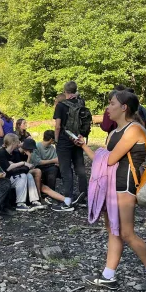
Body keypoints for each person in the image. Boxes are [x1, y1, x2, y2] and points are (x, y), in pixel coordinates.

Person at [76, 90, 146, 291]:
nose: (108, 107)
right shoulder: (114, 132)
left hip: (125, 186)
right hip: (111, 185)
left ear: (124, 107)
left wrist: (101, 153)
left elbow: (111, 159)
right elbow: (101, 159)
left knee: (126, 232)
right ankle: (108, 275)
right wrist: (83, 146)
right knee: (113, 231)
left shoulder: (134, 130)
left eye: (112, 103)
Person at [51, 81, 87, 212]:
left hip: (64, 140)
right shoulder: (81, 102)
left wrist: (56, 140)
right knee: (80, 168)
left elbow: (58, 126)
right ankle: (83, 198)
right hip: (77, 139)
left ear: (65, 91)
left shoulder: (60, 105)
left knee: (66, 170)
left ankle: (68, 201)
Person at [0, 134, 43, 212]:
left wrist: (15, 164)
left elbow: (21, 168)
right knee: (22, 176)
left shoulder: (13, 153)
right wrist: (22, 163)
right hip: (3, 179)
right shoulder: (1, 152)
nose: (19, 143)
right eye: (17, 142)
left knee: (29, 175)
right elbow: (8, 168)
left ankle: (34, 200)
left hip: (12, 175)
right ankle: (20, 204)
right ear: (13, 143)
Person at [18, 137, 65, 206]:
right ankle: (39, 197)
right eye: (30, 150)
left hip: (30, 177)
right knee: (38, 172)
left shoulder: (28, 154)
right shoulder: (18, 154)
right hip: (22, 177)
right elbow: (25, 169)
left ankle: (68, 200)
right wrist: (29, 157)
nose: (31, 152)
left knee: (46, 188)